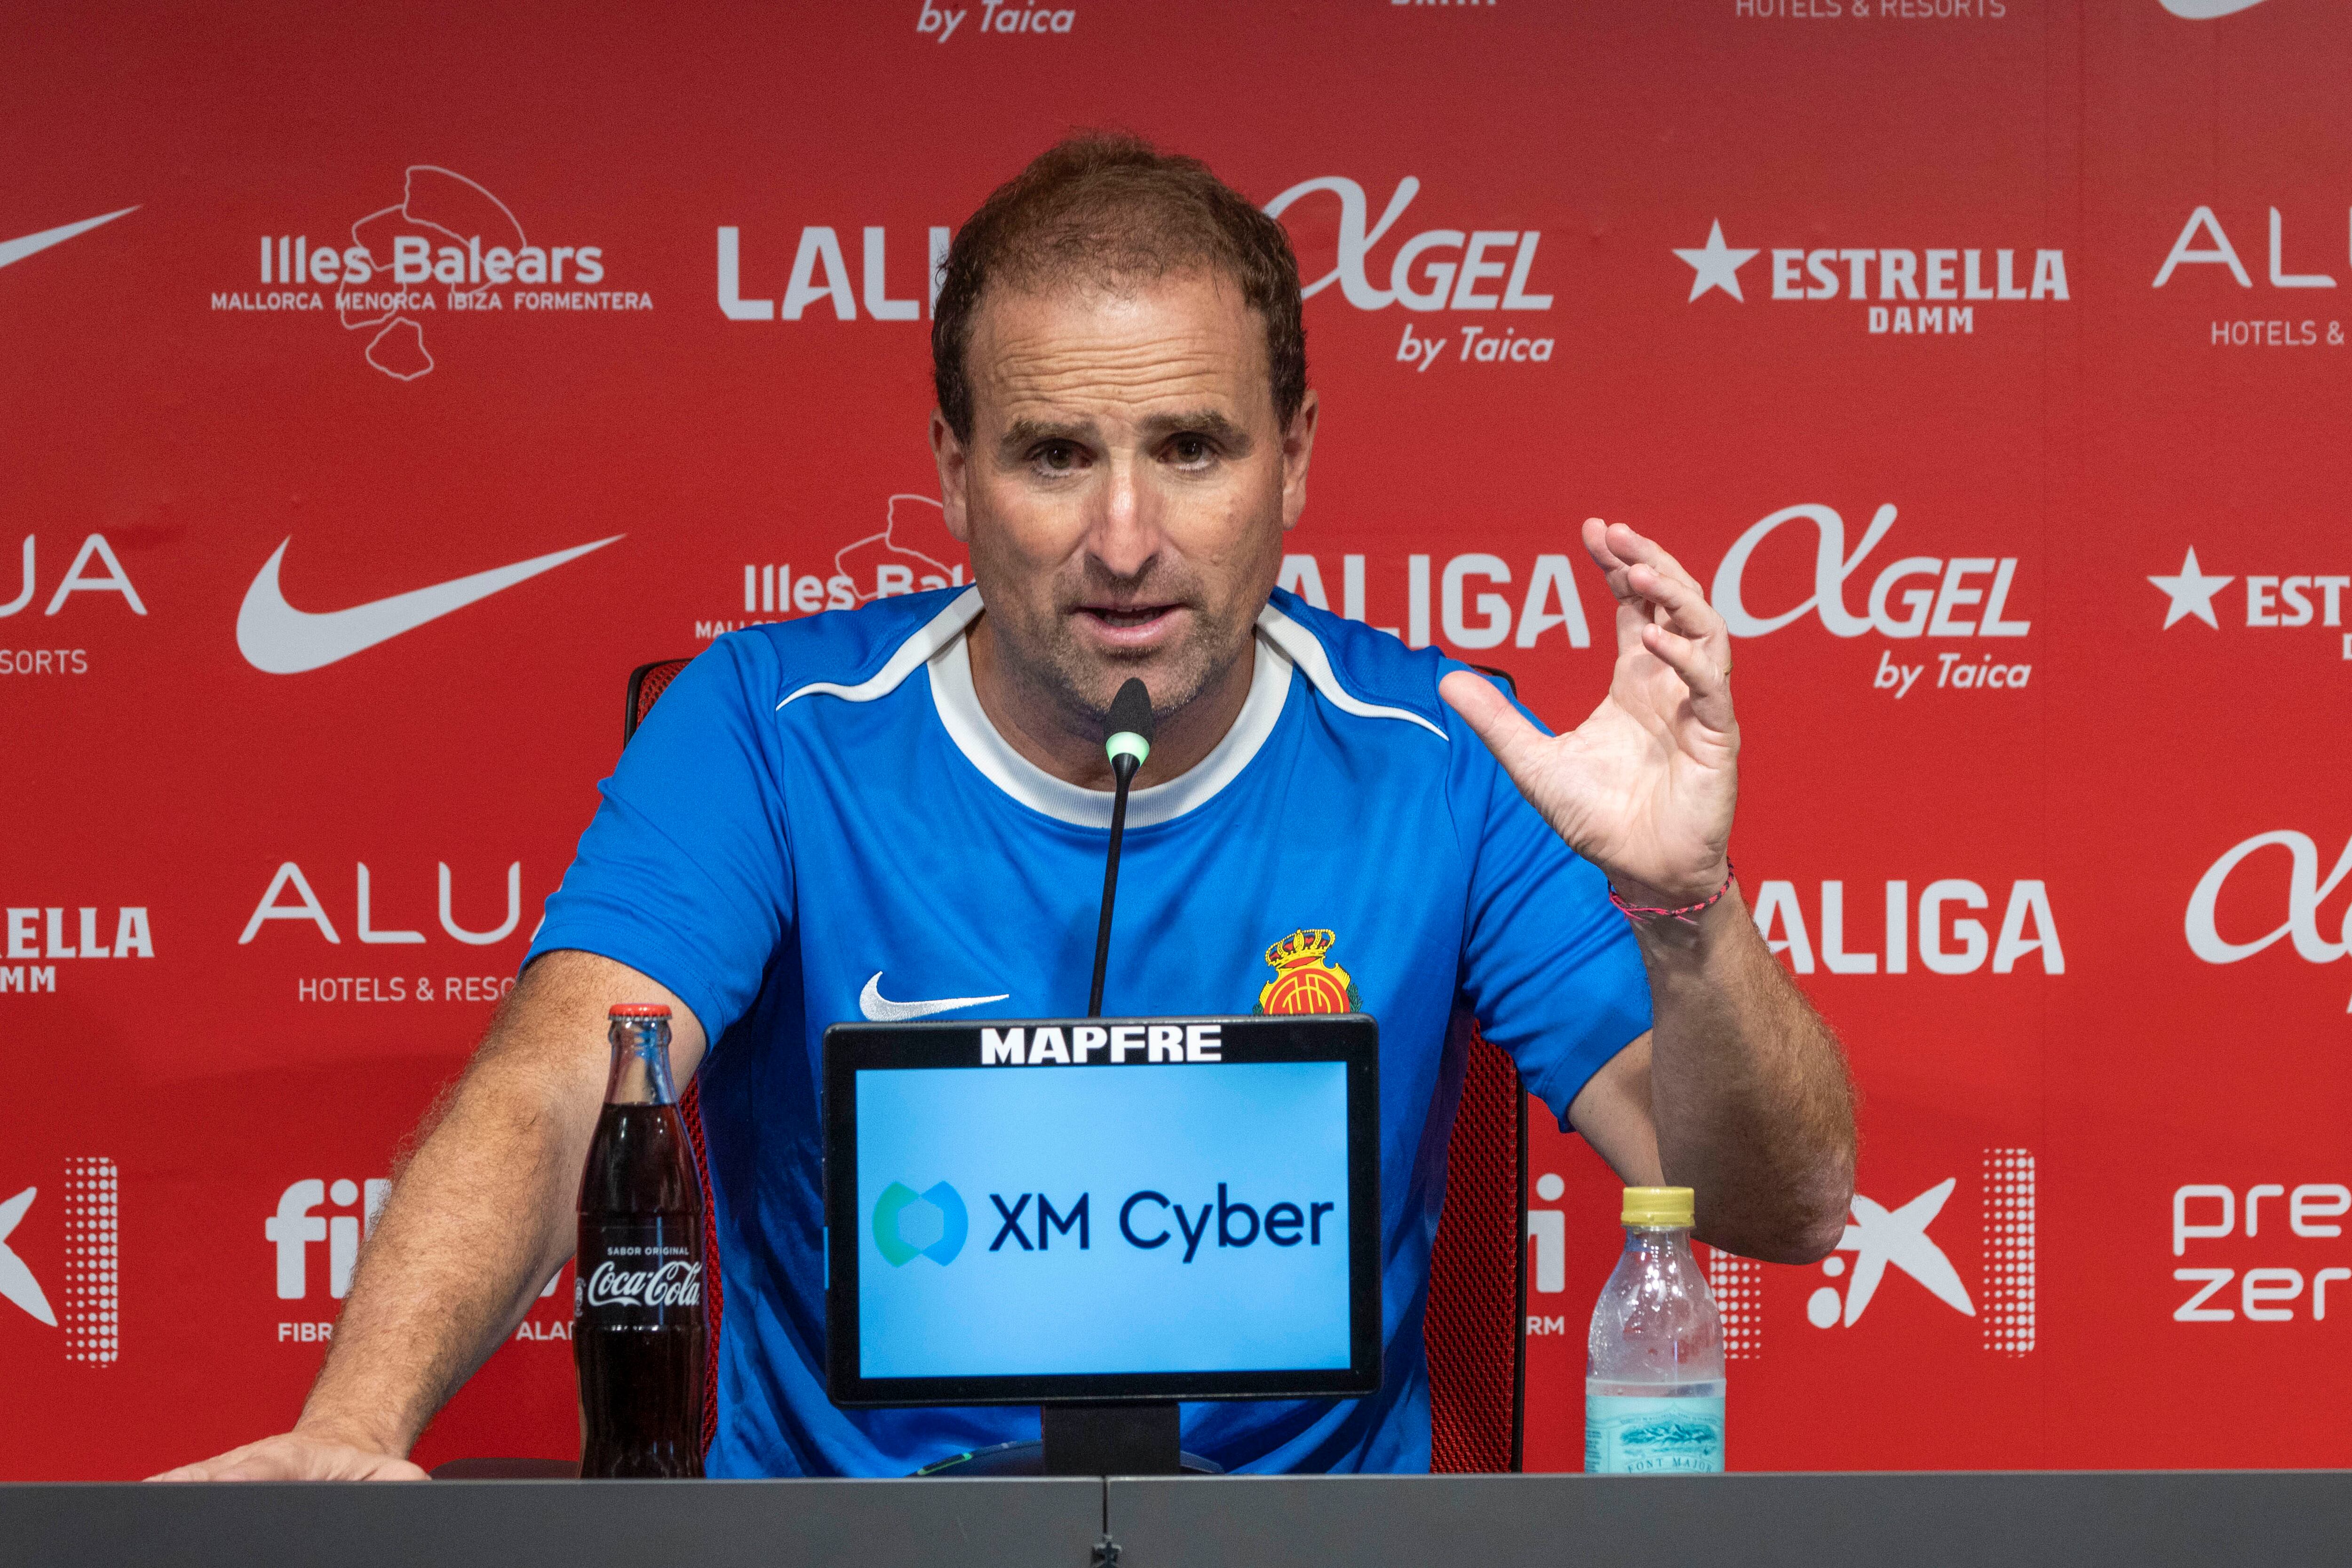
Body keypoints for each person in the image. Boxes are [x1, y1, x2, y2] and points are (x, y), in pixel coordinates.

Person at [159, 134, 1853, 1482]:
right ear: (955, 469)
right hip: (838, 1565)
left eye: (1191, 448)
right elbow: (558, 1089)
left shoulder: (1439, 754)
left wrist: (1689, 908)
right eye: (1054, 456)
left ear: (1301, 458)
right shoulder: (767, 728)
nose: (1125, 538)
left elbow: (1775, 1207)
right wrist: (351, 1431)